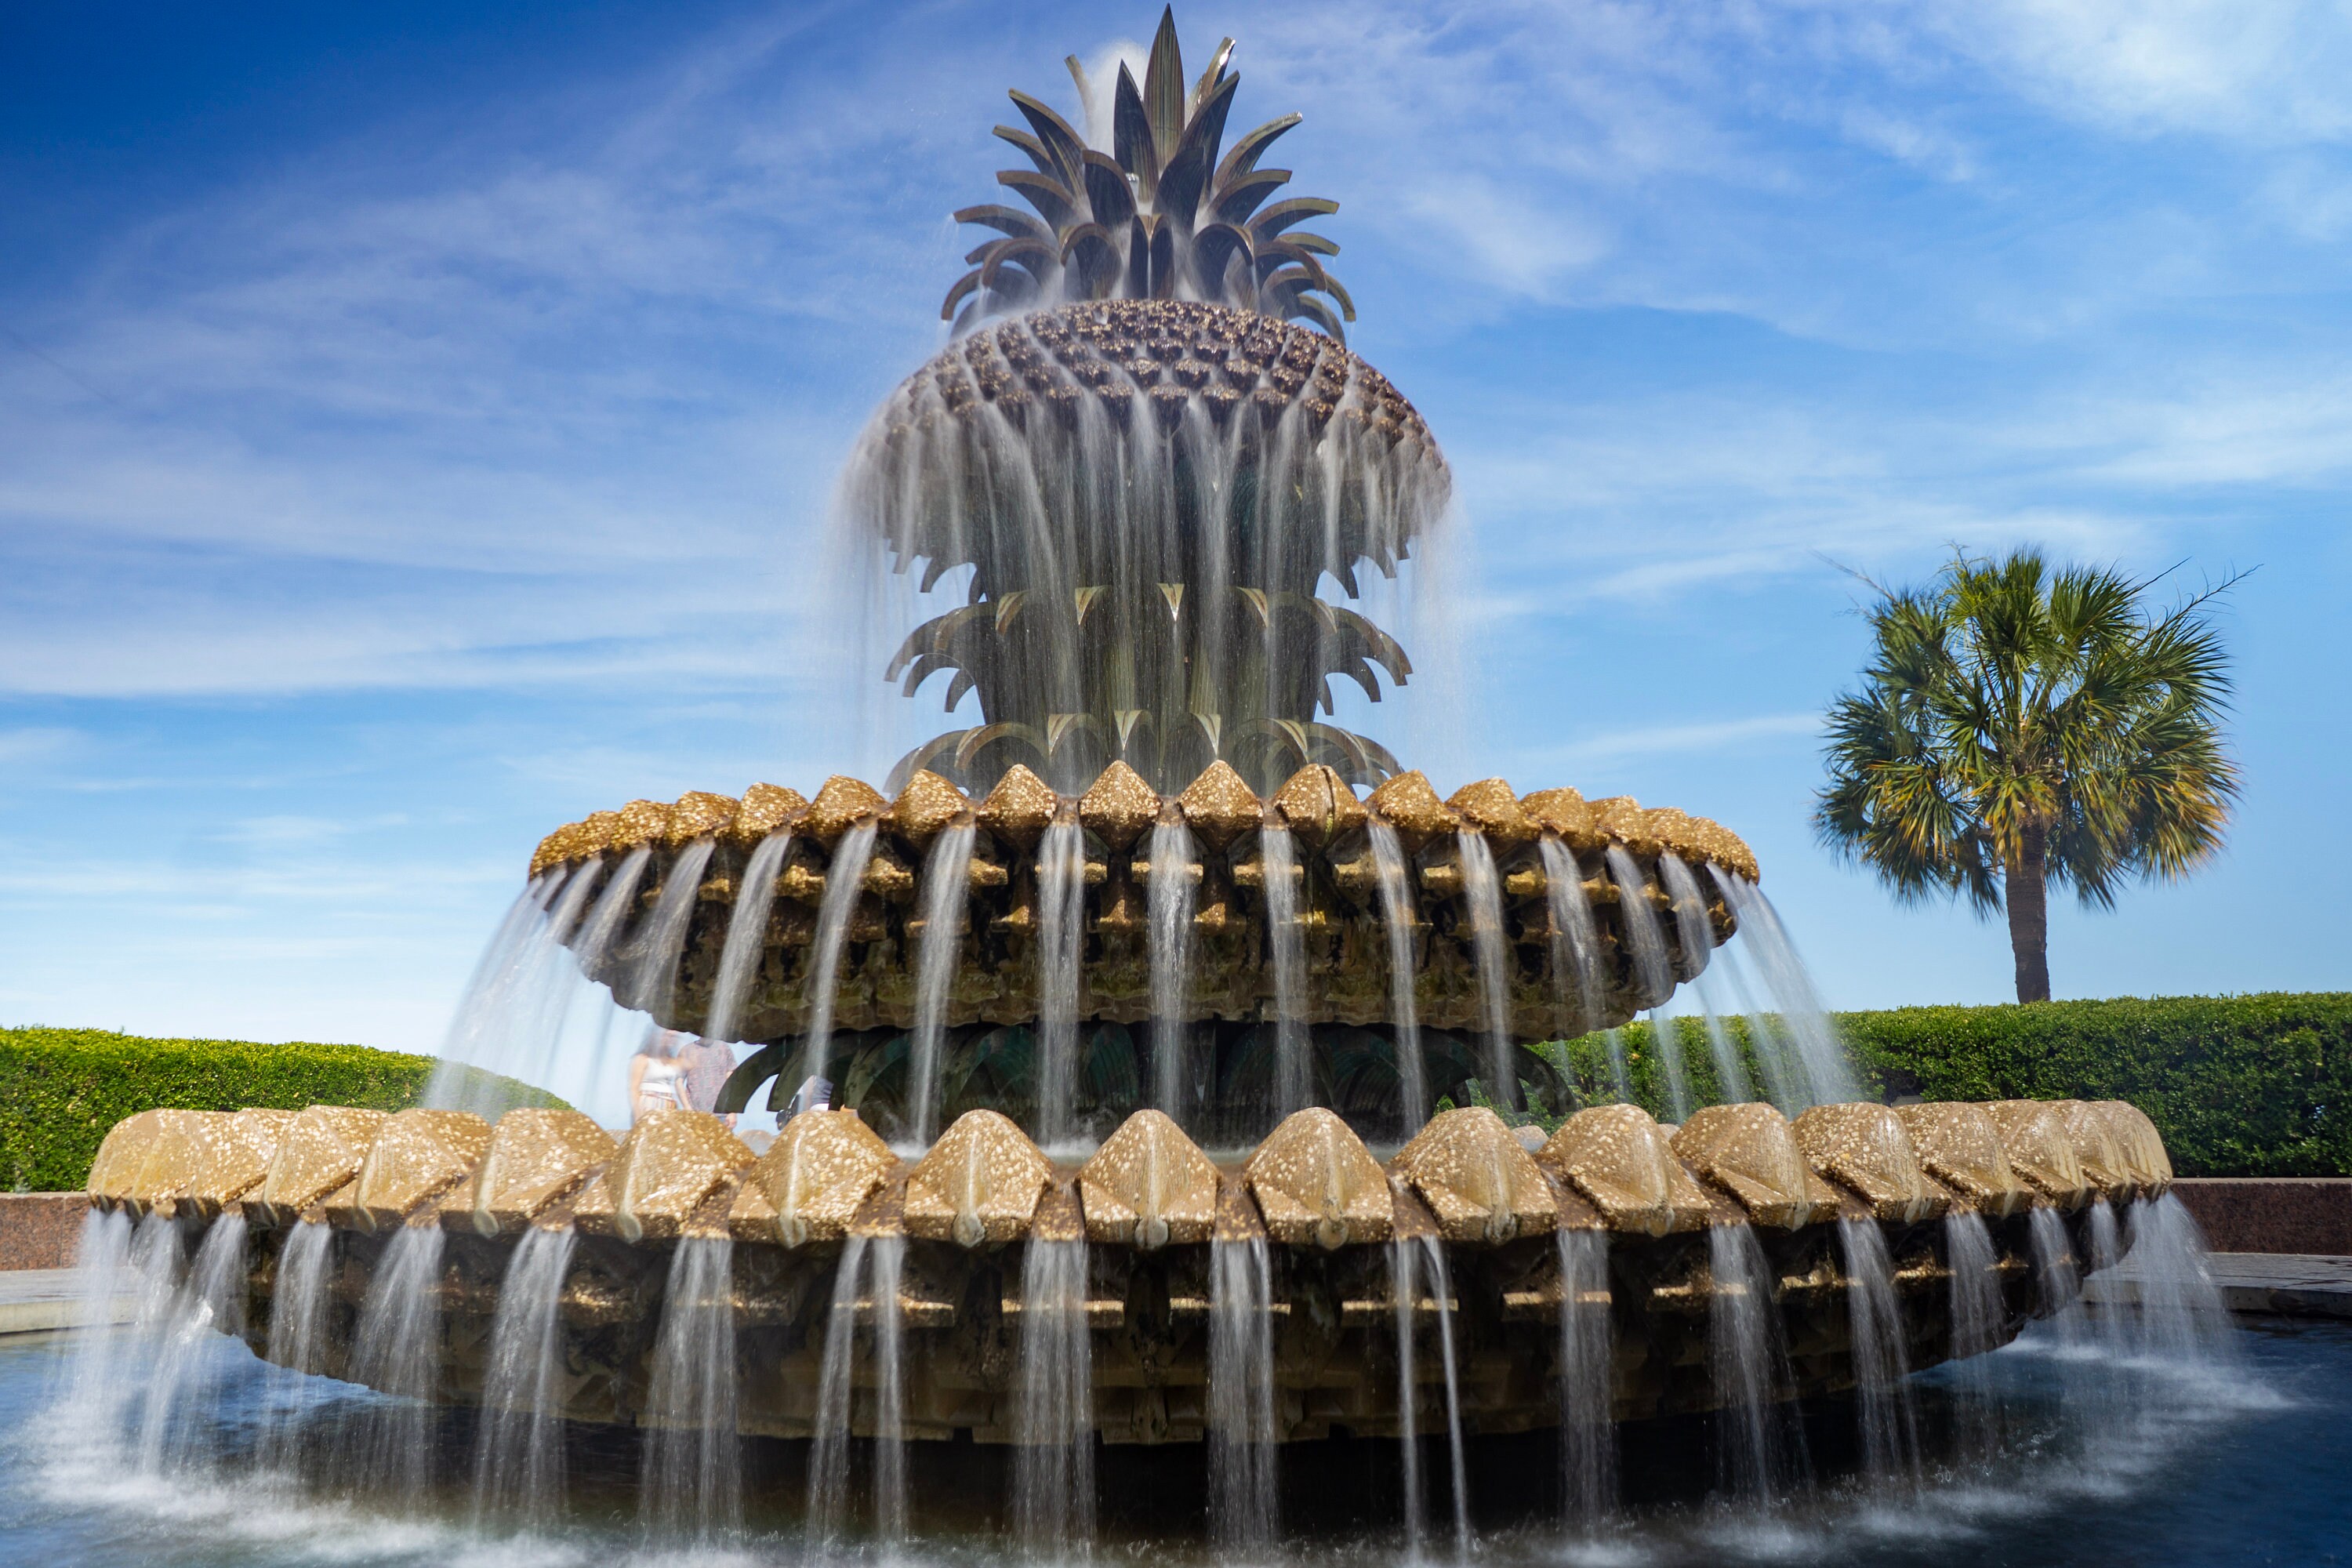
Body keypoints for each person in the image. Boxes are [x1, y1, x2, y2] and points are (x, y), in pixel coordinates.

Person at [628, 1029, 690, 1123]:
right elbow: (634, 1089)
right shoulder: (643, 1059)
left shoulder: (672, 1061)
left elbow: (689, 1065)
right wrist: (638, 1114)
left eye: (673, 1037)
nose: (671, 1039)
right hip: (648, 1105)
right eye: (667, 1036)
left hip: (669, 1106)